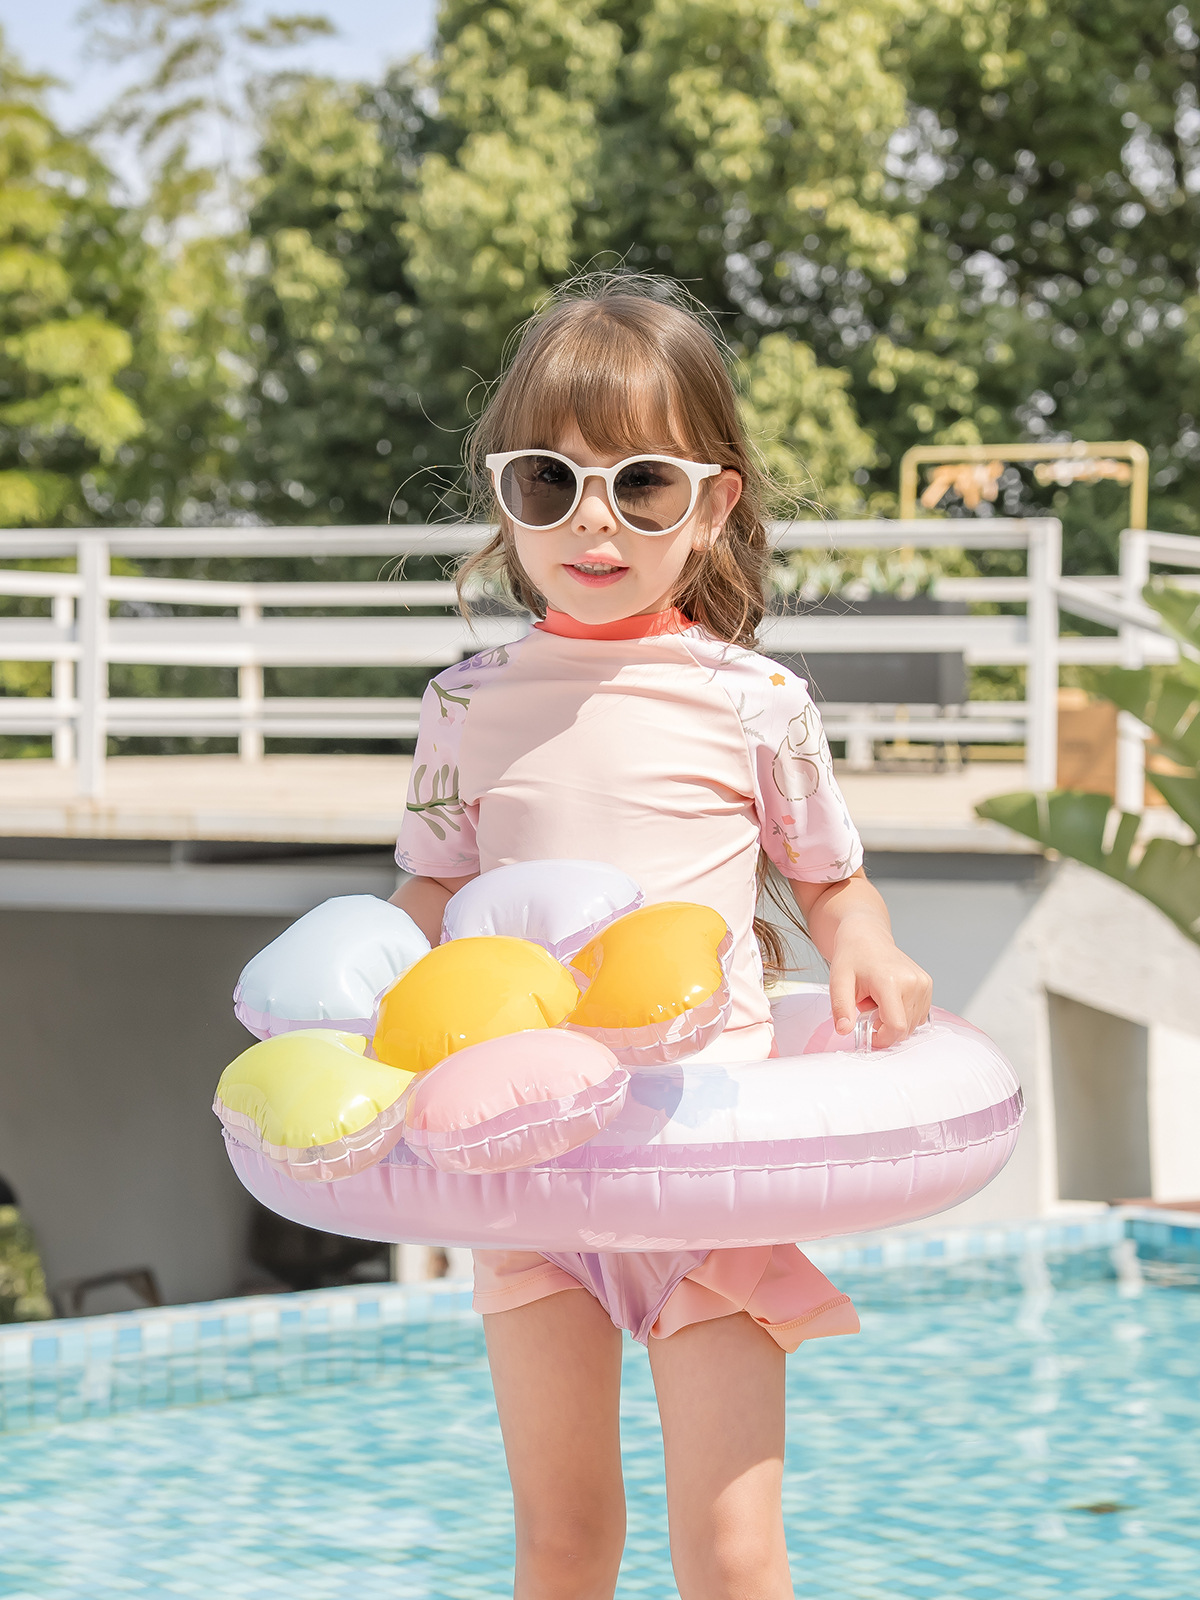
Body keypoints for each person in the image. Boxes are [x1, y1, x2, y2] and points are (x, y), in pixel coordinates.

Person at [391, 274, 932, 1600]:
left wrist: (867, 945)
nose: (593, 520)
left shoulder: (758, 703)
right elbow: (429, 897)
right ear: (503, 496)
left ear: (712, 505)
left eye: (640, 484)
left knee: (733, 1554)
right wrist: (378, 1012)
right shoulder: (469, 702)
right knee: (565, 1545)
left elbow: (832, 883)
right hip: (536, 1185)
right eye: (546, 483)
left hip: (709, 1172)